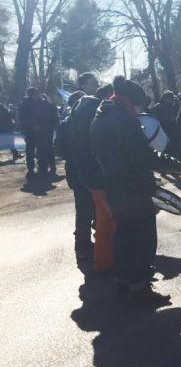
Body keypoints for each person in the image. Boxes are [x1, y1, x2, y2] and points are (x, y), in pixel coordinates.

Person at [90, 76, 170, 307]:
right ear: (131, 101)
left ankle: (123, 281)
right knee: (142, 238)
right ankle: (139, 288)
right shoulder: (124, 118)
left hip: (114, 186)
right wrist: (165, 161)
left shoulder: (101, 116)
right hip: (134, 187)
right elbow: (140, 153)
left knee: (123, 235)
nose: (139, 110)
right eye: (139, 105)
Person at [70, 80, 117, 272]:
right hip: (96, 172)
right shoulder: (99, 116)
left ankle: (82, 247)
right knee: (104, 213)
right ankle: (106, 256)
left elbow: (61, 147)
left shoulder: (71, 117)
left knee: (83, 211)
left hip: (76, 170)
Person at [57, 91, 95, 259]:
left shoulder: (65, 123)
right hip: (89, 169)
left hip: (73, 169)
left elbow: (59, 148)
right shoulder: (89, 122)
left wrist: (71, 157)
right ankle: (91, 241)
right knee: (94, 204)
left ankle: (82, 240)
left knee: (82, 206)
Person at [18, 88, 57, 178]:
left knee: (42, 150)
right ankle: (30, 169)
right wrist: (32, 126)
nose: (39, 95)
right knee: (30, 151)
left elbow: (49, 115)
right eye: (36, 93)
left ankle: (42, 168)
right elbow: (22, 118)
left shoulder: (43, 103)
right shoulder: (24, 105)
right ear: (31, 95)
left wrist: (45, 125)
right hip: (30, 132)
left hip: (43, 132)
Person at [149, 90, 181, 159]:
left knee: (176, 148)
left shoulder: (174, 107)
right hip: (162, 131)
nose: (171, 100)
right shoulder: (157, 107)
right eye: (169, 98)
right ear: (164, 98)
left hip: (174, 132)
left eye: (172, 98)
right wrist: (168, 119)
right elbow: (153, 118)